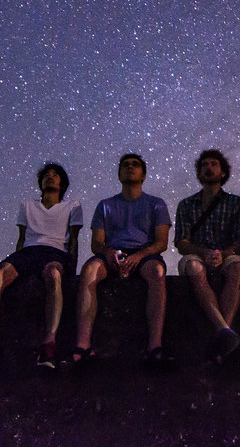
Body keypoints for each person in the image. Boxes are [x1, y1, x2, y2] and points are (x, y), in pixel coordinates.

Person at [0, 163, 82, 368]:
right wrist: (15, 261)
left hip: (55, 252)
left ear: (62, 183)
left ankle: (49, 344)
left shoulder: (72, 206)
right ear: (40, 182)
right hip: (28, 252)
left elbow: (74, 239)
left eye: (55, 175)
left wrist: (71, 268)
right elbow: (22, 238)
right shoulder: (27, 205)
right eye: (46, 175)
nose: (50, 177)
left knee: (54, 275)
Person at [71, 153, 173, 368]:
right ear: (118, 174)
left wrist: (140, 255)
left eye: (135, 165)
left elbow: (161, 242)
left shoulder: (156, 204)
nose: (130, 167)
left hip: (144, 254)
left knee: (157, 273)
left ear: (143, 174)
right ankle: (83, 345)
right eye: (125, 165)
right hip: (113, 253)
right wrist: (108, 252)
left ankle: (155, 346)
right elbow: (96, 243)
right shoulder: (105, 205)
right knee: (89, 270)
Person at [174, 149, 240, 363]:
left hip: (226, 255)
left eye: (213, 164)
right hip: (196, 255)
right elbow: (181, 242)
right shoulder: (186, 205)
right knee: (195, 269)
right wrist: (204, 253)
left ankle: (222, 332)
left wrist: (222, 254)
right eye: (204, 164)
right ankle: (224, 330)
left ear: (223, 172)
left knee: (238, 267)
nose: (208, 168)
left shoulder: (236, 203)